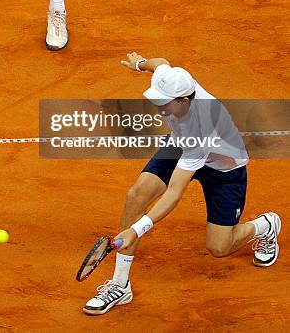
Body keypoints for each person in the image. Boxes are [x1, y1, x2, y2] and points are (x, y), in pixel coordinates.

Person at [83, 53, 281, 315]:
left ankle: (265, 226)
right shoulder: (173, 81)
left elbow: (175, 192)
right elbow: (161, 63)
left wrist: (137, 230)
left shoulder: (202, 126)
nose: (158, 107)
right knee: (137, 194)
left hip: (224, 169)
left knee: (219, 247)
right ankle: (121, 284)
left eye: (163, 103)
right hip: (181, 144)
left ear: (185, 100)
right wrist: (140, 65)